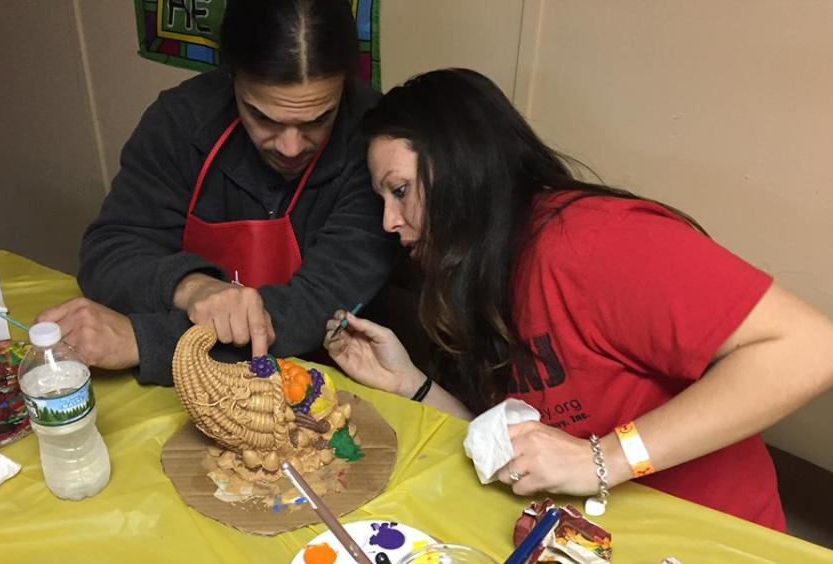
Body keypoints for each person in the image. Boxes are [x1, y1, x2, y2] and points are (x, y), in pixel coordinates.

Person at [325, 68, 833, 531]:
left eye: (400, 190)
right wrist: (410, 383)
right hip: (590, 538)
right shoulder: (477, 273)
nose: (389, 221)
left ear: (465, 169)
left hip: (711, 541)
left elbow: (810, 348)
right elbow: (525, 444)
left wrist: (602, 459)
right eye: (381, 199)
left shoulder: (592, 241)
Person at [37, 0, 397, 385]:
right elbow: (111, 250)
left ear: (345, 86)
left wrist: (143, 341)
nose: (291, 148)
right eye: (263, 117)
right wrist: (193, 287)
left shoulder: (377, 143)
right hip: (194, 387)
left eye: (318, 119)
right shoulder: (182, 121)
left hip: (336, 382)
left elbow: (311, 311)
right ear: (231, 77)